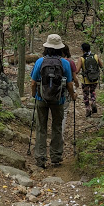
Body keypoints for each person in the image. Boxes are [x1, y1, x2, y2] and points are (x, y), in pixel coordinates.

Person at [31, 34, 77, 168]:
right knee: (56, 127)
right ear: (60, 48)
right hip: (59, 100)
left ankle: (40, 157)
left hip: (41, 98)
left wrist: (34, 95)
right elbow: (69, 84)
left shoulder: (40, 61)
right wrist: (72, 95)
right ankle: (56, 157)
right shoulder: (65, 63)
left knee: (41, 127)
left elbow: (33, 82)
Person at [76, 42, 103, 117]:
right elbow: (102, 66)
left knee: (85, 95)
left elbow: (77, 70)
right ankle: (93, 102)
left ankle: (88, 109)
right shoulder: (95, 56)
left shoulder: (81, 58)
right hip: (95, 79)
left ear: (82, 49)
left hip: (85, 80)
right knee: (93, 91)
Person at [62, 44, 79, 135]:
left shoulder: (50, 61)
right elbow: (74, 78)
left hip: (51, 90)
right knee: (64, 112)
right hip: (66, 90)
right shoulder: (70, 62)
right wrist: (77, 85)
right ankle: (61, 135)